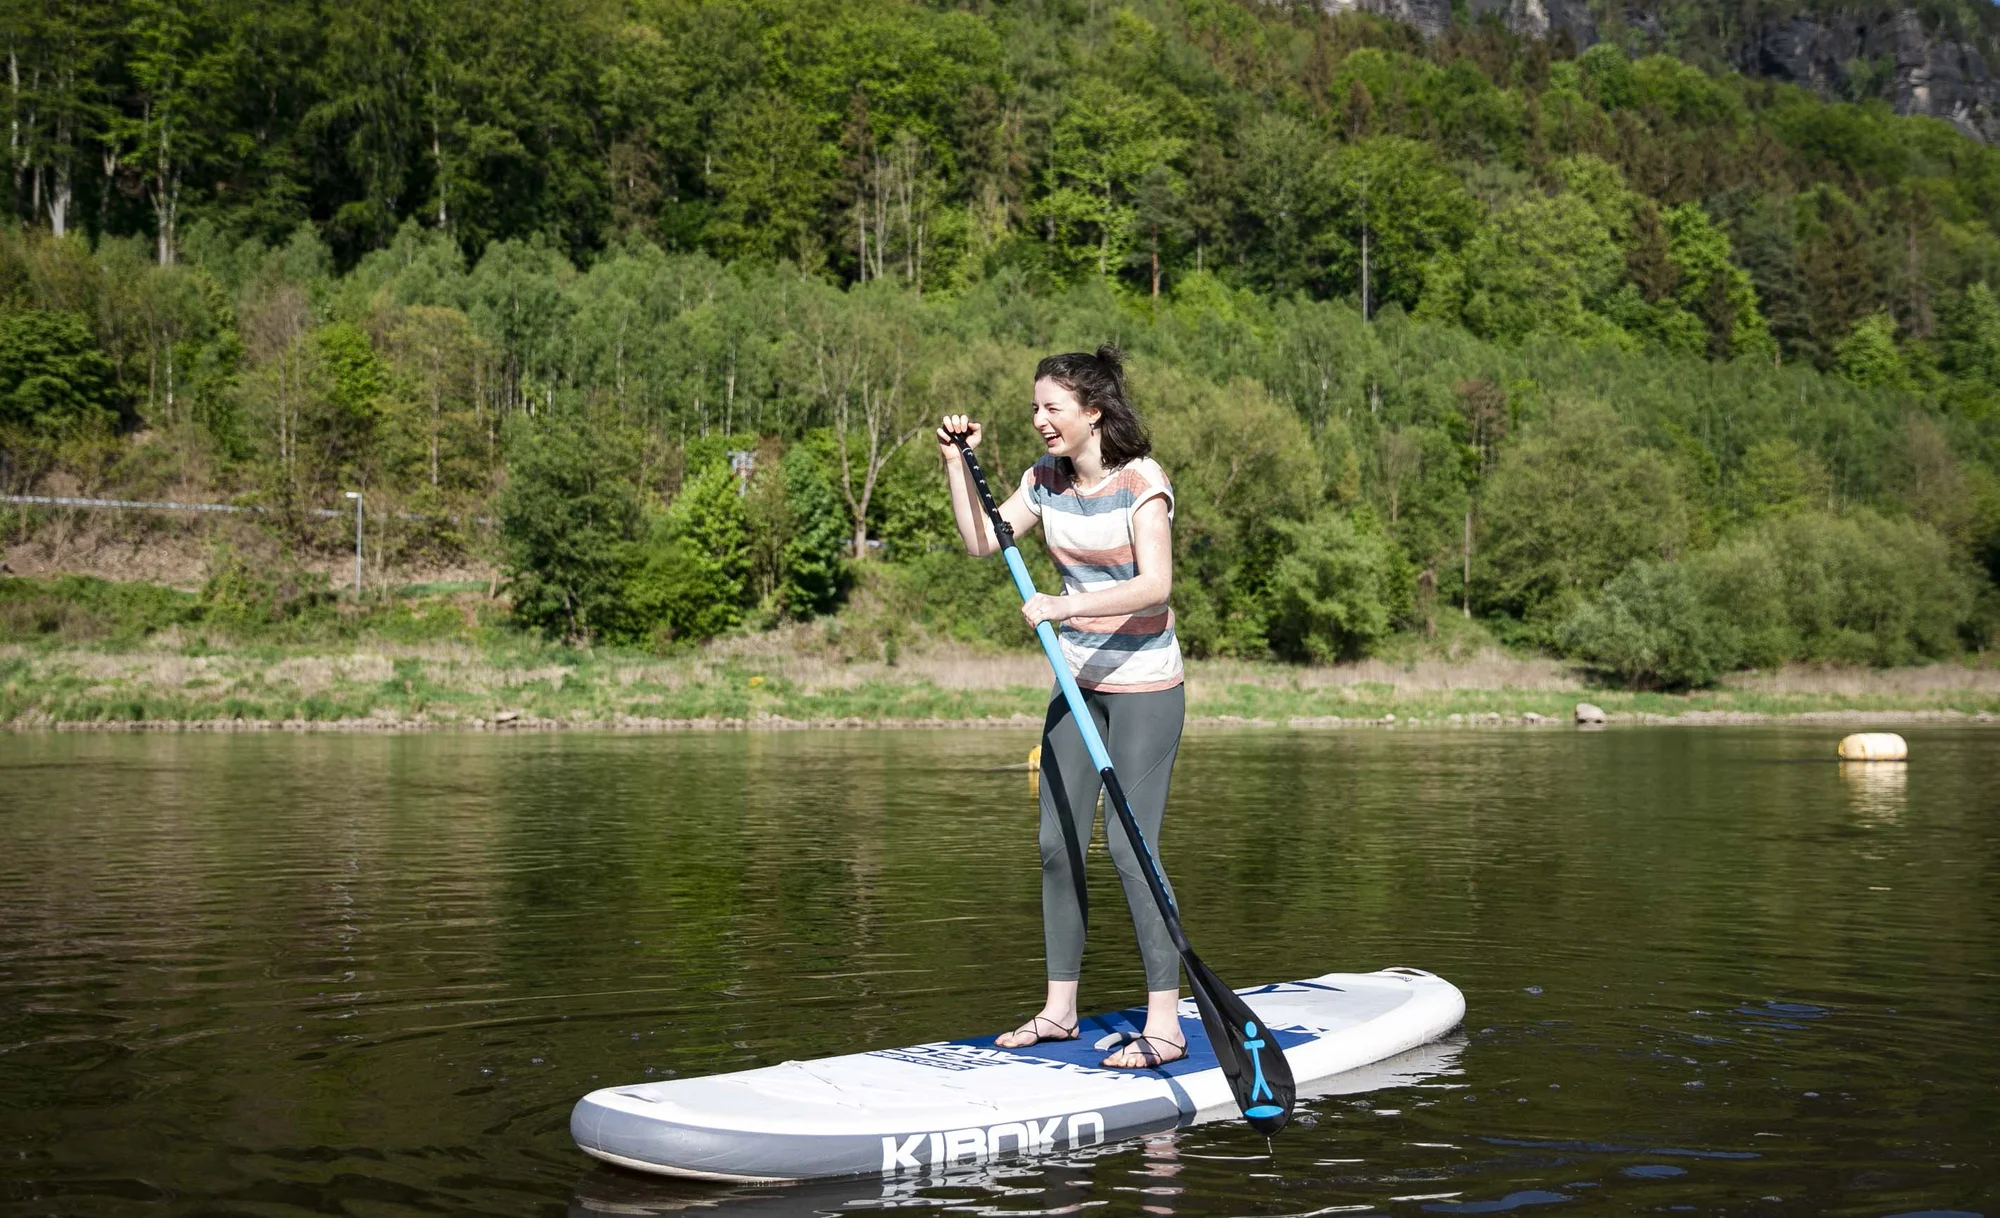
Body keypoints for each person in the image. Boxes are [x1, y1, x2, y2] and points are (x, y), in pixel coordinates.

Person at [936, 345, 1188, 1070]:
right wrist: (957, 465)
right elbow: (985, 541)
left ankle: (1165, 1023)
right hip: (1075, 685)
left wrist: (1063, 606)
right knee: (1057, 845)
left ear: (1093, 413)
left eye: (1053, 407)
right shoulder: (1042, 481)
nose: (1040, 420)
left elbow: (1156, 586)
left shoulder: (1143, 482)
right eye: (1035, 408)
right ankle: (1059, 1012)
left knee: (1132, 850)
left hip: (1145, 687)